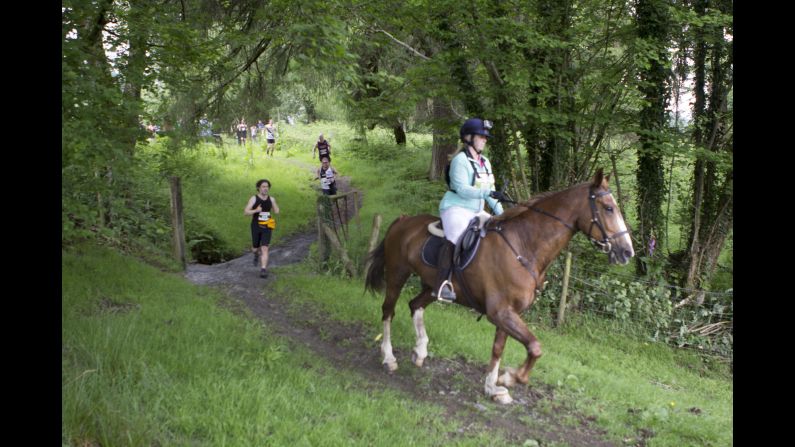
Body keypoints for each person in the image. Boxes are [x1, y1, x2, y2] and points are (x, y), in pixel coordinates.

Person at [435, 118, 508, 302]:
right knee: (456, 235)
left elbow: (491, 195)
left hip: (476, 211)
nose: (485, 139)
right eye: (482, 136)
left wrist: (504, 214)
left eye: (486, 137)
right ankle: (443, 283)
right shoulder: (460, 161)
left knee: (497, 233)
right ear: (468, 138)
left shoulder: (485, 162)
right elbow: (462, 189)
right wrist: (487, 191)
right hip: (455, 208)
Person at [243, 179, 280, 278]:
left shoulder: (271, 199)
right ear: (258, 188)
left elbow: (276, 211)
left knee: (265, 248)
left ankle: (263, 269)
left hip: (267, 226)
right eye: (263, 186)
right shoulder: (254, 199)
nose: (265, 188)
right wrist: (256, 210)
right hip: (256, 226)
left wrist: (274, 206)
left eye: (267, 187)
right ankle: (255, 254)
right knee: (255, 247)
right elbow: (246, 212)